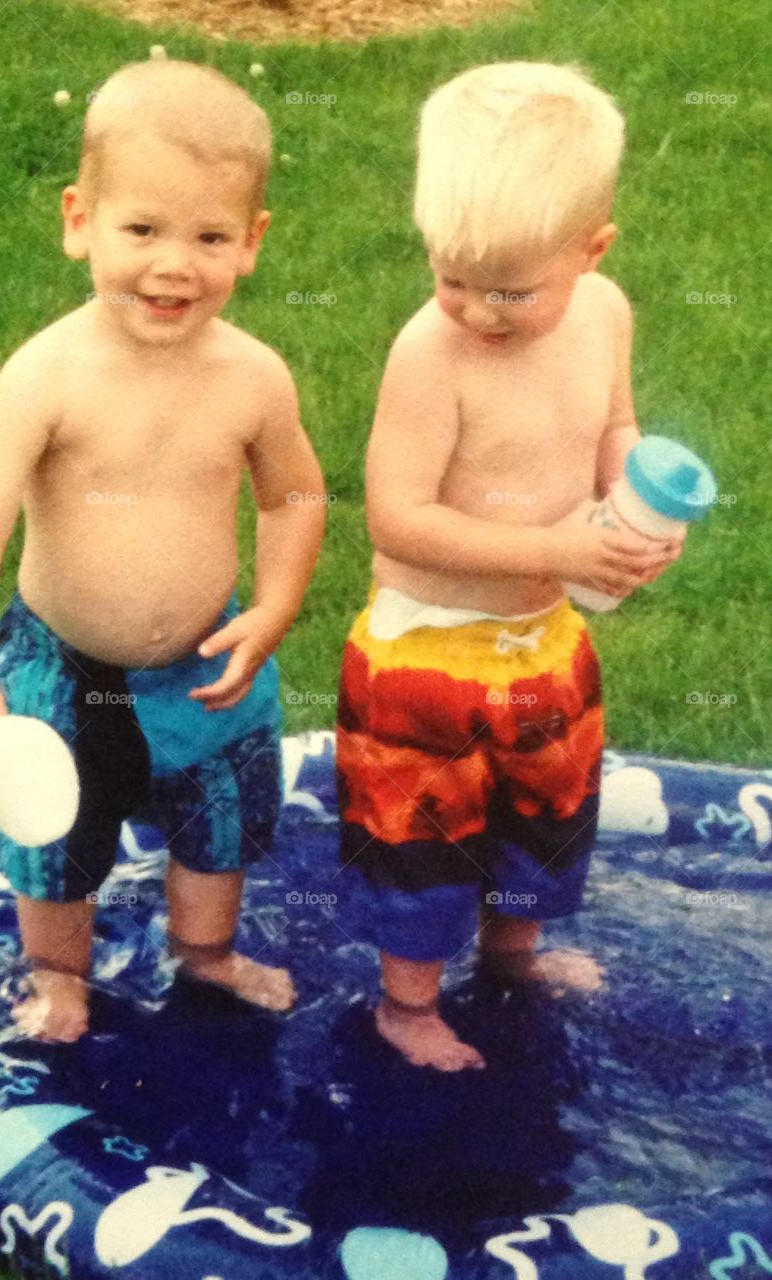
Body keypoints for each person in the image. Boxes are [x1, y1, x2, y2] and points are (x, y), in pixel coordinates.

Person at [0, 58, 325, 1043]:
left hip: (208, 660)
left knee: (216, 822)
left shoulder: (253, 378)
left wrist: (272, 608)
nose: (174, 264)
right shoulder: (47, 375)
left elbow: (296, 495)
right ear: (79, 221)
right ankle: (59, 972)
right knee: (53, 834)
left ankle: (205, 953)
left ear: (252, 243)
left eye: (209, 235)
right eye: (141, 229)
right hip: (65, 663)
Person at [335, 62, 682, 1071]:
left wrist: (637, 507)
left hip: (543, 641)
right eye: (452, 277)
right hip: (426, 660)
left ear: (592, 250)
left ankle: (513, 952)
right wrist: (555, 548)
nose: (477, 310)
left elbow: (616, 423)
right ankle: (407, 1003)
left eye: (510, 289)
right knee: (422, 839)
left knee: (546, 813)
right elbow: (399, 521)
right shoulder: (428, 354)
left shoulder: (605, 314)